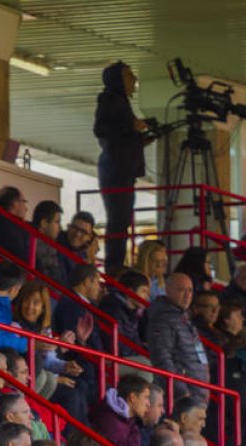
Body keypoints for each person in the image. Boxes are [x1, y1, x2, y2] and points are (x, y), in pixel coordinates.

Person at [94, 61, 149, 272]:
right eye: (128, 75)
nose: (134, 79)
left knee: (122, 220)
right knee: (118, 221)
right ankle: (114, 266)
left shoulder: (119, 102)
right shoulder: (110, 99)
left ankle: (116, 264)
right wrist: (131, 127)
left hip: (122, 171)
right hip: (116, 172)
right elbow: (102, 129)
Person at [146, 272, 211, 402]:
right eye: (181, 290)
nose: (187, 295)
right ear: (167, 290)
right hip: (184, 397)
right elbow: (162, 358)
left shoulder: (183, 317)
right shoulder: (163, 320)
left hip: (198, 392)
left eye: (190, 290)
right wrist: (181, 391)